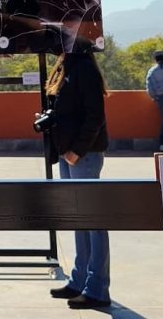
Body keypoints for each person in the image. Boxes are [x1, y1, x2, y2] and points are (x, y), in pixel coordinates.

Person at [42, 41, 110, 310]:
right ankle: (79, 280)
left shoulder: (84, 69)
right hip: (67, 152)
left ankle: (97, 288)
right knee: (78, 220)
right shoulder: (66, 67)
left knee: (93, 221)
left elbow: (96, 115)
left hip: (83, 155)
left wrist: (77, 151)